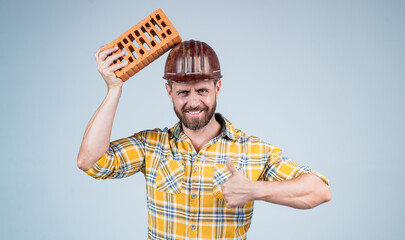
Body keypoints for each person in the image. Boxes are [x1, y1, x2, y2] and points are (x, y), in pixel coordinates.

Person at [77, 40, 331, 239]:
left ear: (217, 88)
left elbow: (319, 190)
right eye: (183, 93)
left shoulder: (253, 150)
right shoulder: (151, 146)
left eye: (202, 90)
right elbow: (91, 161)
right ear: (169, 92)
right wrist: (114, 88)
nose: (193, 102)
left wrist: (256, 190)